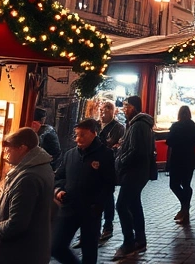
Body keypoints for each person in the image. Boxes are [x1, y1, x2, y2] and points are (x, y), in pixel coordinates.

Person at [0, 127, 54, 264]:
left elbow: (17, 224)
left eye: (8, 148)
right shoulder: (40, 167)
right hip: (33, 250)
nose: (5, 153)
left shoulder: (27, 178)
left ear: (22, 148)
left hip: (19, 254)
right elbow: (25, 211)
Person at [51, 118, 115, 264]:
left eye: (82, 135)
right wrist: (59, 191)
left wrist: (99, 204)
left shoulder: (105, 154)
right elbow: (59, 177)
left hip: (90, 211)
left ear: (93, 133)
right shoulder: (70, 155)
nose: (78, 139)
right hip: (69, 208)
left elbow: (109, 184)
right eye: (76, 135)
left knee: (89, 251)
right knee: (56, 247)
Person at [112, 96, 156, 260]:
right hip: (138, 172)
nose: (124, 109)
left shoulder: (138, 125)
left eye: (127, 106)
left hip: (134, 172)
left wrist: (120, 160)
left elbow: (137, 150)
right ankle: (140, 239)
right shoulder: (138, 125)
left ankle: (129, 243)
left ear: (135, 107)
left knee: (121, 205)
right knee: (134, 204)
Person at [167, 105, 195, 225]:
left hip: (177, 159)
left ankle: (184, 207)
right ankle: (185, 209)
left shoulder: (175, 126)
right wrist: (190, 145)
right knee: (186, 184)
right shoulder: (192, 126)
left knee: (174, 184)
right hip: (189, 158)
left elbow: (169, 141)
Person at [97, 100, 124, 243]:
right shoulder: (95, 125)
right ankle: (92, 229)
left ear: (112, 112)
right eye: (101, 110)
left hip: (108, 166)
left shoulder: (118, 127)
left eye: (106, 110)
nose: (102, 113)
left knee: (107, 196)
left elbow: (113, 145)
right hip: (94, 167)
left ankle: (108, 226)